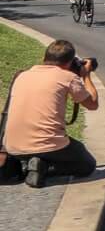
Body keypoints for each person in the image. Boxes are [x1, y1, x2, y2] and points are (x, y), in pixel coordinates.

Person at [1, 40, 99, 185]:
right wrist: (86, 75)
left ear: (44, 58)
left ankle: (30, 164)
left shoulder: (22, 75)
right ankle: (43, 167)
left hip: (13, 146)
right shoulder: (68, 78)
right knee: (87, 164)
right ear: (70, 62)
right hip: (50, 145)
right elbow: (93, 104)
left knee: (45, 148)